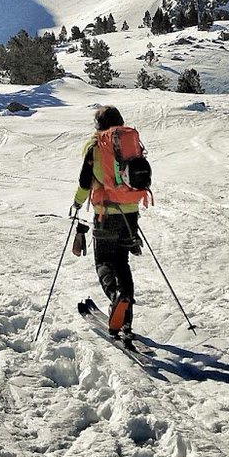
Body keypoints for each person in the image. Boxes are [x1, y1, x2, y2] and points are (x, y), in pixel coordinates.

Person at [71, 105, 146, 338]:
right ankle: (126, 322)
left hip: (105, 214)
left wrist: (77, 203)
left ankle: (116, 296)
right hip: (131, 214)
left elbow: (85, 181)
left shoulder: (96, 146)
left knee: (103, 261)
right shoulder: (129, 144)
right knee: (122, 263)